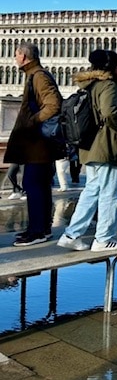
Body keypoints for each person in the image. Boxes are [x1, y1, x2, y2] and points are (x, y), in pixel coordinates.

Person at [57, 49, 117, 252]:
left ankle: (72, 234)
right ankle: (104, 238)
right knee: (109, 193)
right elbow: (109, 112)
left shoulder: (90, 85)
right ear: (111, 67)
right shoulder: (108, 85)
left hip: (90, 146)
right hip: (107, 146)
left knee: (91, 191)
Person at [5, 41, 62, 246]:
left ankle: (38, 230)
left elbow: (54, 104)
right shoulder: (34, 75)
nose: (14, 58)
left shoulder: (38, 76)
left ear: (23, 56)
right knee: (39, 184)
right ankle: (41, 228)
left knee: (33, 184)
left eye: (16, 55)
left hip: (39, 142)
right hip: (37, 142)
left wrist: (33, 121)